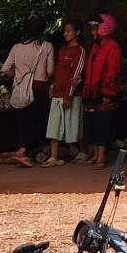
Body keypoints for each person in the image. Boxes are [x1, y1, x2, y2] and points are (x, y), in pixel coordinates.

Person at [0, 22, 54, 167]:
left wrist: (18, 76)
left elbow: (5, 68)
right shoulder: (47, 46)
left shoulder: (16, 47)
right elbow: (49, 72)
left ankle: (24, 152)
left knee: (24, 122)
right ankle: (23, 151)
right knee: (41, 122)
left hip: (20, 89)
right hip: (39, 88)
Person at [81, 13, 124, 165]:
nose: (93, 32)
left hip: (104, 92)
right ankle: (95, 154)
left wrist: (108, 93)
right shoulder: (95, 47)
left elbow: (113, 72)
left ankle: (101, 157)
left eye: (95, 29)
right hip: (91, 91)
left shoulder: (113, 47)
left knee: (102, 124)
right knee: (91, 123)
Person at [43, 20, 84, 166]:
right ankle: (54, 156)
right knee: (54, 125)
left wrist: (69, 95)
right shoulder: (62, 50)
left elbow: (75, 76)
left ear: (77, 32)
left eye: (69, 31)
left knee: (73, 125)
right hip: (57, 92)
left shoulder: (79, 51)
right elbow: (59, 71)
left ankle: (80, 151)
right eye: (65, 31)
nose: (66, 34)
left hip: (70, 94)